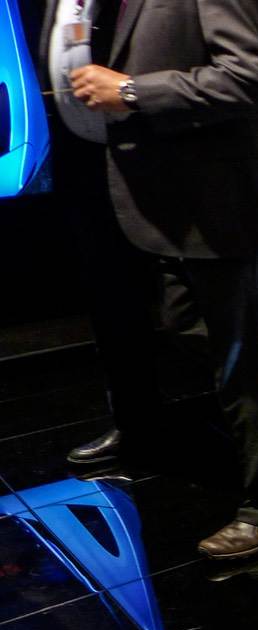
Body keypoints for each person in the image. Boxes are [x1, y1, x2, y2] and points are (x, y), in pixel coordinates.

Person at [68, 0, 258, 560]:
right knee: (206, 334)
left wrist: (132, 91)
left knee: (248, 364)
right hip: (178, 204)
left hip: (232, 204)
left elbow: (255, 76)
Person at [40, 0, 163, 466]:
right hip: (84, 158)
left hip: (160, 155)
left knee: (202, 306)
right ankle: (136, 423)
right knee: (111, 298)